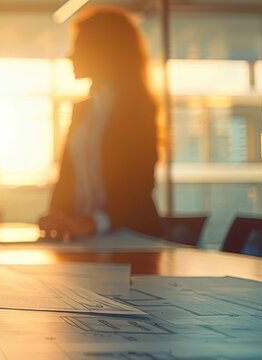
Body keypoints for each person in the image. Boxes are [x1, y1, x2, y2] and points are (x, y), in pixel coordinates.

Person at [39, 7, 163, 239]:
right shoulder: (82, 109)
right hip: (82, 240)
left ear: (103, 50)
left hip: (130, 238)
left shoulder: (137, 108)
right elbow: (67, 176)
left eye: (79, 45)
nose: (70, 55)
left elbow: (139, 185)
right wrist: (58, 216)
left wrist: (90, 223)